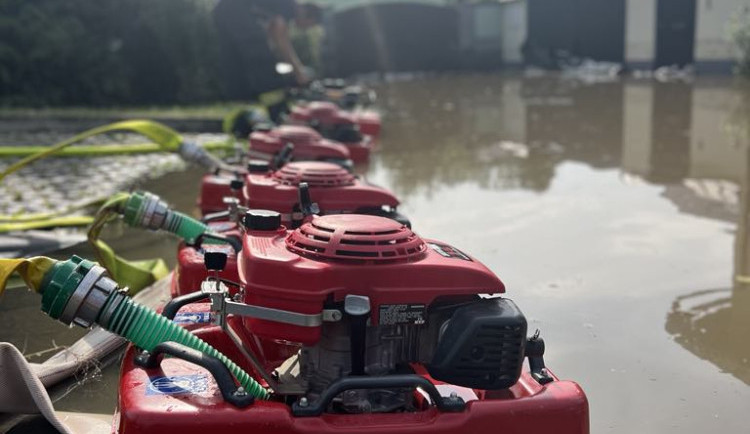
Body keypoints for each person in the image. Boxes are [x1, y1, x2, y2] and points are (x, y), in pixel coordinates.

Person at [213, 0, 321, 103]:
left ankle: (240, 102)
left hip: (223, 9)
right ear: (306, 13)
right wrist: (299, 72)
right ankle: (277, 108)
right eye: (309, 25)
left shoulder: (278, 6)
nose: (305, 28)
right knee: (263, 61)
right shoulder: (289, 6)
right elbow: (281, 39)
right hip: (234, 8)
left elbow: (271, 35)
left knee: (236, 60)